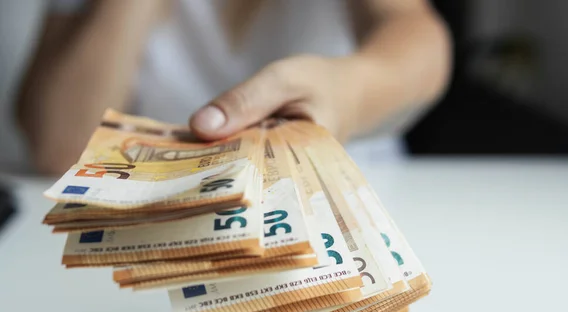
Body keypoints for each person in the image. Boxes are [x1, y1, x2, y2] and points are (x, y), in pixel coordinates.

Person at [16, 0, 451, 175]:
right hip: (165, 227)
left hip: (350, 209)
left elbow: (420, 40)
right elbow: (61, 147)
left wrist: (346, 96)